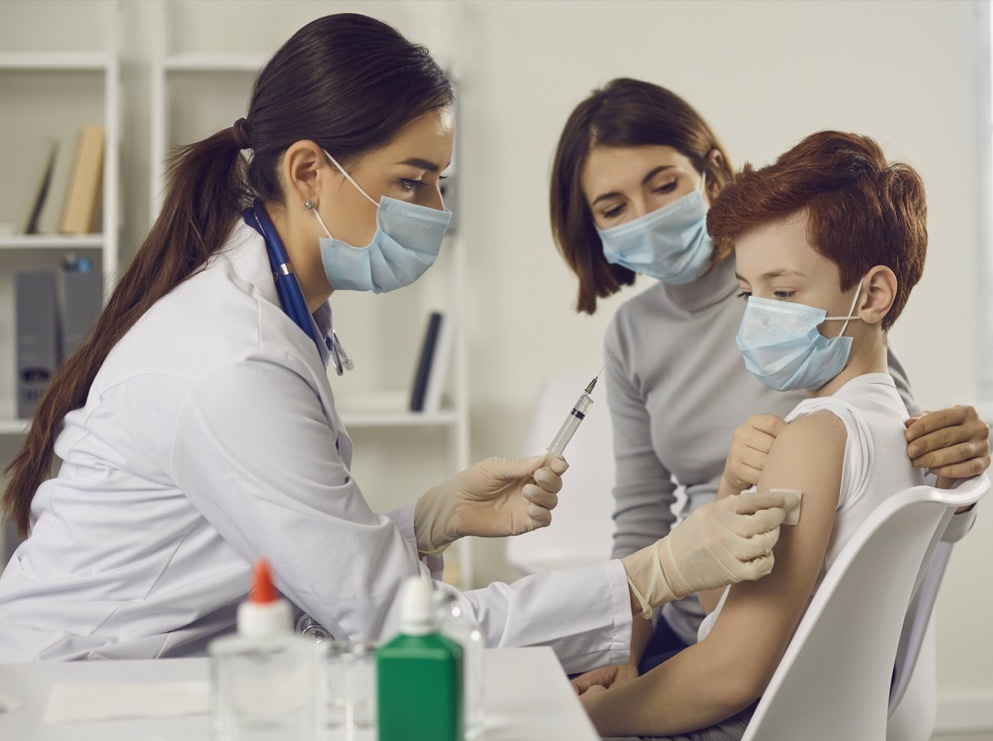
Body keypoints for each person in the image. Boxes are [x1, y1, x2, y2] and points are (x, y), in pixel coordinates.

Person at [0, 15, 800, 663]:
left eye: (439, 182)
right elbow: (390, 623)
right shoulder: (234, 362)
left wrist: (425, 520)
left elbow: (295, 548)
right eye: (411, 182)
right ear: (310, 174)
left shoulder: (274, 319)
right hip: (80, 698)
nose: (437, 210)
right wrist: (651, 575)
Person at [549, 78, 991, 687]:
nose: (646, 216)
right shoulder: (632, 334)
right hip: (692, 613)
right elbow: (642, 516)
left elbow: (901, 470)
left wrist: (956, 466)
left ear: (710, 172)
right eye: (614, 207)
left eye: (663, 184)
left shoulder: (799, 290)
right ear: (593, 226)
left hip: (781, 634)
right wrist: (619, 648)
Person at [581, 129, 936, 741]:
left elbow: (728, 673)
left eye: (784, 292)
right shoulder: (879, 419)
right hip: (802, 726)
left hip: (742, 737)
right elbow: (719, 598)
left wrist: (591, 717)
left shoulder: (819, 434)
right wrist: (730, 487)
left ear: (874, 294)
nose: (757, 320)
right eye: (749, 294)